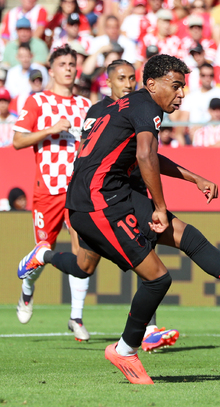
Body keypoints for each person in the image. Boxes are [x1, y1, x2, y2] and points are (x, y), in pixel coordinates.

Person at [63, 54, 220, 384]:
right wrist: (159, 207)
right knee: (157, 278)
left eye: (183, 86)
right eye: (175, 86)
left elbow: (145, 153)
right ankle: (125, 349)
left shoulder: (124, 105)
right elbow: (145, 154)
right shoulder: (147, 107)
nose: (182, 94)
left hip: (111, 195)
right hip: (97, 202)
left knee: (187, 236)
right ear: (152, 84)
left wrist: (193, 178)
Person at [18, 59, 181, 350]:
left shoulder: (140, 105)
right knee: (88, 265)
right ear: (109, 82)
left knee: (141, 252)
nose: (129, 84)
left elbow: (149, 154)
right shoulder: (98, 110)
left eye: (133, 78)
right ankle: (44, 260)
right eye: (122, 78)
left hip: (130, 191)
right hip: (99, 198)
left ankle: (145, 328)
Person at [12, 45, 92, 339]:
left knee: (81, 249)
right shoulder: (38, 101)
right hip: (47, 190)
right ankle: (27, 289)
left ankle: (76, 316)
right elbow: (18, 141)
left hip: (77, 189)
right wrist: (51, 129)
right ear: (52, 68)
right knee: (42, 251)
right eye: (63, 64)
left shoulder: (85, 105)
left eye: (72, 63)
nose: (69, 68)